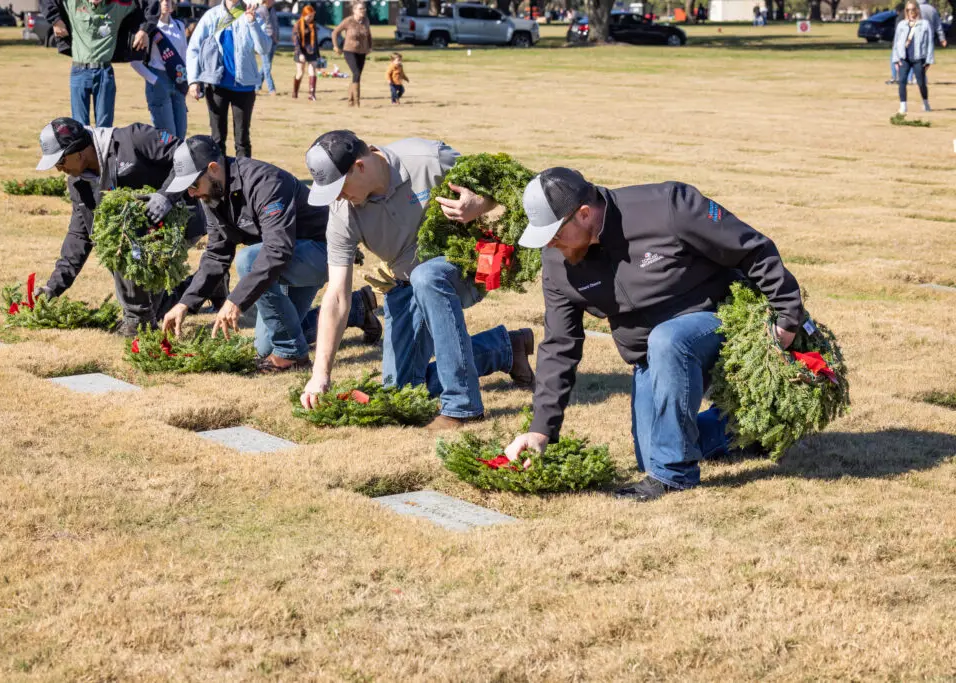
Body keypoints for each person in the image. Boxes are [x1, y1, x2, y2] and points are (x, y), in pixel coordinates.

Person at [503, 168, 803, 502]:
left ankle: (675, 478)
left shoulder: (668, 207)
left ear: (584, 214)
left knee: (667, 343)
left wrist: (788, 316)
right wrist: (541, 429)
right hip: (652, 356)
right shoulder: (558, 263)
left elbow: (751, 248)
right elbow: (560, 345)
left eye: (554, 234)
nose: (550, 244)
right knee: (652, 452)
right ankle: (747, 426)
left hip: (718, 320)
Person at [297, 131, 536, 430]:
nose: (338, 196)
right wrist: (321, 374)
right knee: (401, 392)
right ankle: (503, 349)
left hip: (459, 268)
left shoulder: (428, 160)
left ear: (360, 166)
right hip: (406, 284)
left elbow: (501, 186)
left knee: (427, 277)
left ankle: (462, 406)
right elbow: (336, 296)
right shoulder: (342, 212)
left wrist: (479, 203)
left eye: (340, 186)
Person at [159, 135, 382, 368]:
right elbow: (216, 253)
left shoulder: (264, 181)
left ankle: (292, 354)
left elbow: (277, 250)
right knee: (265, 347)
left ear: (213, 169)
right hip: (287, 260)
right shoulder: (212, 195)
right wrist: (185, 303)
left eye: (193, 185)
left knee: (248, 260)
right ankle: (357, 308)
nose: (192, 194)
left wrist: (235, 300)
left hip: (323, 252)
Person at [33, 117, 220, 336]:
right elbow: (80, 234)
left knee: (126, 252)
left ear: (79, 152)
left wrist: (166, 197)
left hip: (180, 219)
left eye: (60, 162)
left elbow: (188, 156)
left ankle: (137, 324)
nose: (59, 169)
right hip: (137, 237)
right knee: (152, 301)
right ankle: (210, 283)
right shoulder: (78, 184)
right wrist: (53, 287)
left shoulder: (135, 139)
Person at [186, 0, 271, 158]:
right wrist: (193, 80)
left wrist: (252, 23)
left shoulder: (252, 14)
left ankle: (245, 178)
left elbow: (264, 48)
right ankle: (219, 179)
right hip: (217, 85)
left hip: (244, 86)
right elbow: (194, 48)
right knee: (217, 139)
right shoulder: (211, 16)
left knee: (242, 139)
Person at [48, 0, 150, 128]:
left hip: (104, 73)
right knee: (80, 127)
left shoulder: (118, 6)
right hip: (79, 72)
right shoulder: (74, 4)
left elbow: (147, 6)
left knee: (104, 128)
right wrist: (55, 20)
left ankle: (102, 149)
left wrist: (144, 30)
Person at [130, 0, 189, 138]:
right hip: (158, 80)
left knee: (181, 134)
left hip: (178, 79)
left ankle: (178, 160)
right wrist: (155, 80)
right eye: (161, 0)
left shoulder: (179, 26)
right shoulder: (147, 29)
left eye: (168, 0)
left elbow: (184, 55)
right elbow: (134, 62)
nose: (165, 3)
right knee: (167, 136)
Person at [893, 0, 935, 113]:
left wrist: (929, 60)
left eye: (913, 9)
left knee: (921, 83)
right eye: (908, 10)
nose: (911, 12)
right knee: (902, 81)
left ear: (917, 10)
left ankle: (925, 102)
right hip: (904, 58)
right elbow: (896, 42)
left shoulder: (924, 24)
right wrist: (895, 59)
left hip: (918, 58)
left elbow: (929, 43)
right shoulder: (902, 24)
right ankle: (903, 105)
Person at [332, 0, 372, 107]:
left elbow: (368, 35)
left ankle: (351, 101)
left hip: (362, 51)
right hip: (349, 51)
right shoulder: (348, 21)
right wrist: (336, 46)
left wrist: (370, 47)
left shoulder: (366, 20)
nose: (363, 11)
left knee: (357, 75)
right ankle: (357, 102)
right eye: (360, 9)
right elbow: (335, 32)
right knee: (356, 73)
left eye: (364, 8)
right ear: (354, 10)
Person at [293, 5, 320, 100]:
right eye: (309, 16)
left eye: (312, 16)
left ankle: (311, 94)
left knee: (312, 70)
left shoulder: (313, 25)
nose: (311, 18)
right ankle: (295, 92)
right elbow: (296, 41)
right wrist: (300, 53)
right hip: (300, 51)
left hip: (311, 52)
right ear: (304, 15)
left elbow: (315, 41)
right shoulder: (297, 25)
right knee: (300, 72)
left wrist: (318, 55)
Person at [256, 0, 279, 94]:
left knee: (266, 66)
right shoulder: (260, 10)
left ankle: (257, 86)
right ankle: (271, 89)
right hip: (265, 40)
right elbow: (262, 27)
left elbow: (275, 25)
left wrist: (276, 37)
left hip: (274, 40)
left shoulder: (272, 9)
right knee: (267, 66)